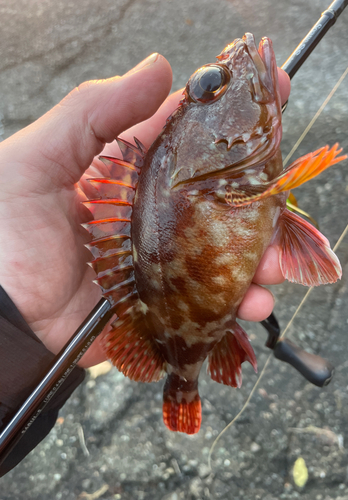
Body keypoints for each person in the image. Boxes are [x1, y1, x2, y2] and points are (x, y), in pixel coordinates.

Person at [0, 53, 291, 474]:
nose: (215, 84)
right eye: (211, 85)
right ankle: (184, 381)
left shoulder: (195, 162)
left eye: (210, 85)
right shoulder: (196, 165)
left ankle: (187, 375)